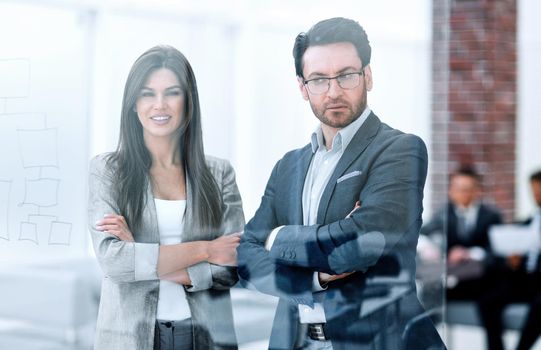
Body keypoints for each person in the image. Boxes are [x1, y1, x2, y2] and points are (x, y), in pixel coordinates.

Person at [237, 17, 445, 350]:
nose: (333, 91)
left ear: (368, 76)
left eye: (346, 75)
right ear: (303, 88)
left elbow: (361, 244)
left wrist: (275, 238)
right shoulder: (288, 166)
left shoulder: (401, 150)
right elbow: (244, 257)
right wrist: (311, 278)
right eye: (319, 79)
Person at [88, 45, 244, 350]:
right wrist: (206, 249)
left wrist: (138, 251)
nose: (160, 105)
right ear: (133, 103)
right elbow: (115, 263)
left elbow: (232, 266)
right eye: (147, 94)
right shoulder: (106, 171)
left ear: (188, 101)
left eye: (172, 93)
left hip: (205, 336)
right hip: (129, 339)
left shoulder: (219, 173)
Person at [478, 170, 541, 350]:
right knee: (487, 301)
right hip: (527, 279)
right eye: (533, 191)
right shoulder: (532, 220)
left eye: (539, 191)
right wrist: (514, 259)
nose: (536, 196)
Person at [420, 167, 503, 299]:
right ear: (450, 191)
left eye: (467, 189)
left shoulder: (490, 216)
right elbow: (422, 233)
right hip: (450, 273)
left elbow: (496, 250)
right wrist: (429, 248)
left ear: (477, 191)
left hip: (480, 277)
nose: (462, 193)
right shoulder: (444, 214)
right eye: (457, 189)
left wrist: (469, 253)